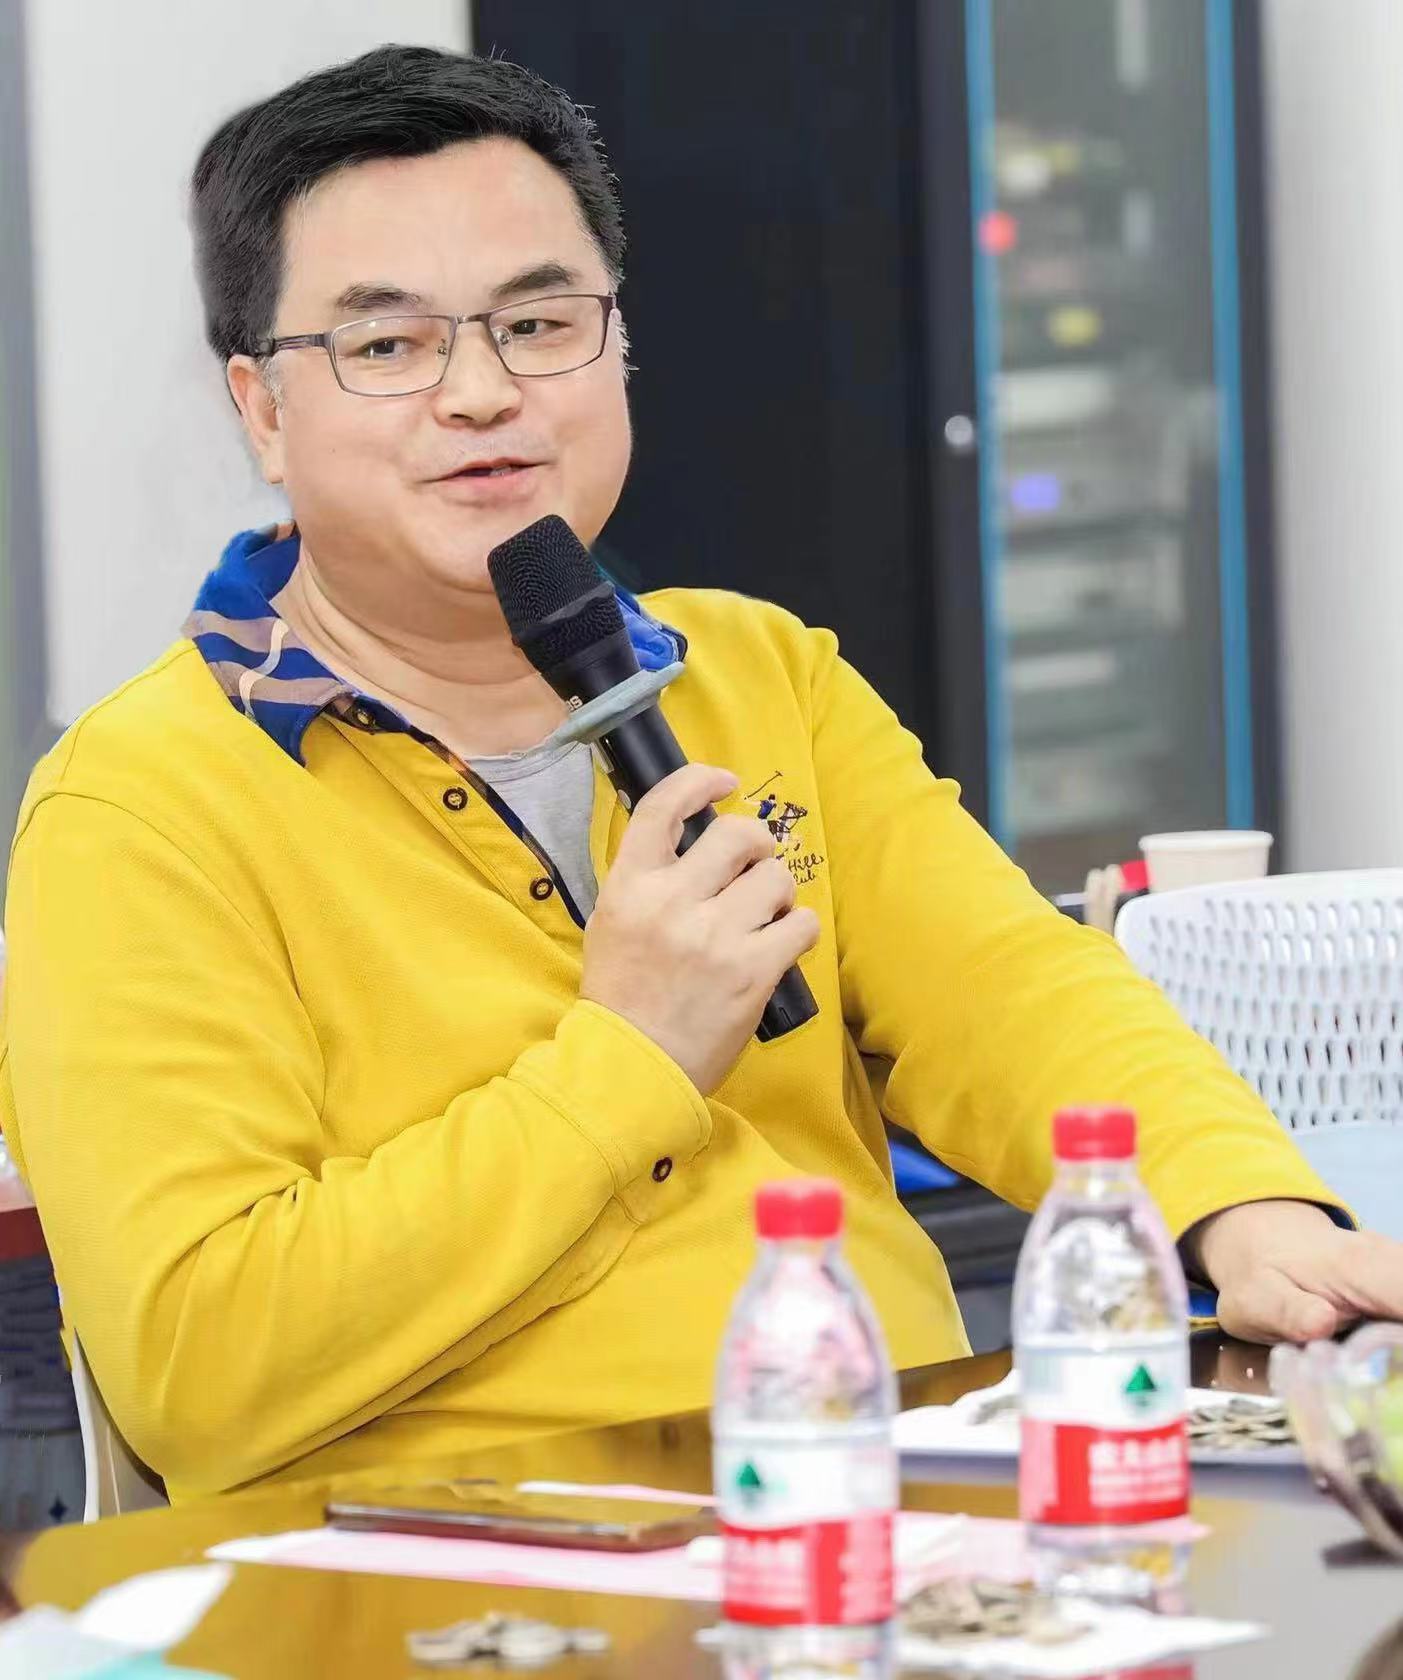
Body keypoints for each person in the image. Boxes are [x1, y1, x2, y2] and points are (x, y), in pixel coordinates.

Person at [1, 45, 1397, 1504]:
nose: (481, 392)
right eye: (389, 346)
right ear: (263, 409)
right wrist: (627, 1060)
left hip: (899, 1494)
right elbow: (200, 1362)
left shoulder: (754, 672)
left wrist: (1249, 1212)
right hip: (464, 1568)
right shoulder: (141, 804)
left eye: (539, 323)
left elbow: (1016, 996)